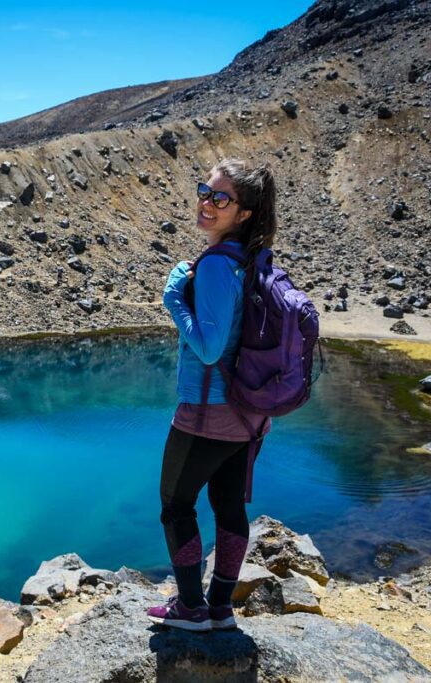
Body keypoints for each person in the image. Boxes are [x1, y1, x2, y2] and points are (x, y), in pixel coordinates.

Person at [147, 159, 277, 631]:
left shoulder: (220, 266)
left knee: (176, 506)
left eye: (220, 198)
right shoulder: (249, 256)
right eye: (205, 191)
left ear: (243, 213)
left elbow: (206, 348)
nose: (207, 202)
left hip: (207, 413)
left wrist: (174, 300)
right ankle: (220, 607)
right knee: (228, 507)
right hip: (249, 415)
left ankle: (190, 606)